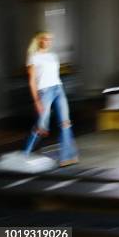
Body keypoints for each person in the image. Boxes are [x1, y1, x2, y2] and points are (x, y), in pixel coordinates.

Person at [24, 31, 79, 167]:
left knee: (65, 122)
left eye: (50, 39)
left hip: (58, 88)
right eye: (45, 39)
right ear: (39, 40)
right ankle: (24, 155)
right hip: (44, 91)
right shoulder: (33, 57)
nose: (48, 41)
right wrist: (36, 101)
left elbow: (54, 74)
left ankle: (68, 157)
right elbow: (32, 82)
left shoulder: (53, 56)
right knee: (42, 125)